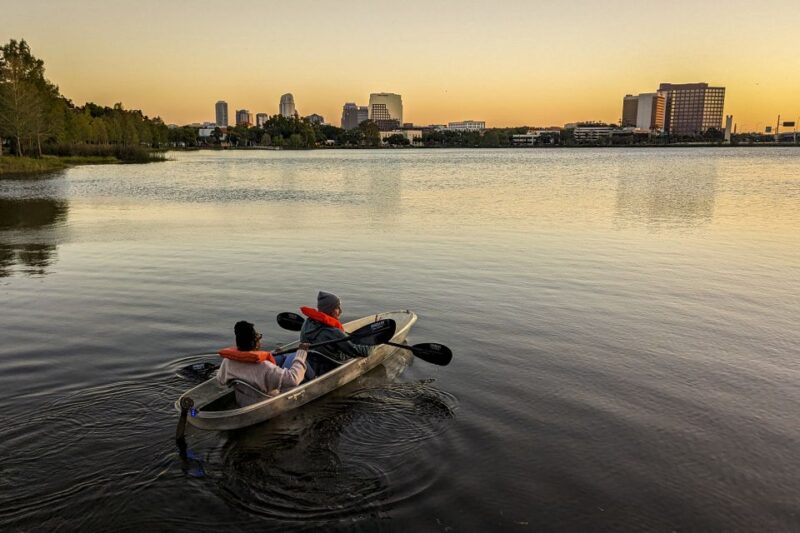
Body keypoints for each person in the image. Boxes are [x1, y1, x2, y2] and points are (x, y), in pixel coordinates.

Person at [217, 320, 311, 406]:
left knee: (279, 356)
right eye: (258, 337)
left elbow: (220, 380)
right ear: (255, 342)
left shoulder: (227, 361)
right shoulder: (265, 367)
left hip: (242, 400)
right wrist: (301, 353)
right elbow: (293, 379)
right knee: (293, 356)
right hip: (265, 403)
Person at [299, 291, 372, 375]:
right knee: (364, 349)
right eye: (337, 308)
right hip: (331, 365)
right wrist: (374, 343)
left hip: (311, 362)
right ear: (329, 310)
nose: (341, 311)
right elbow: (363, 352)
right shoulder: (333, 332)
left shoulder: (307, 322)